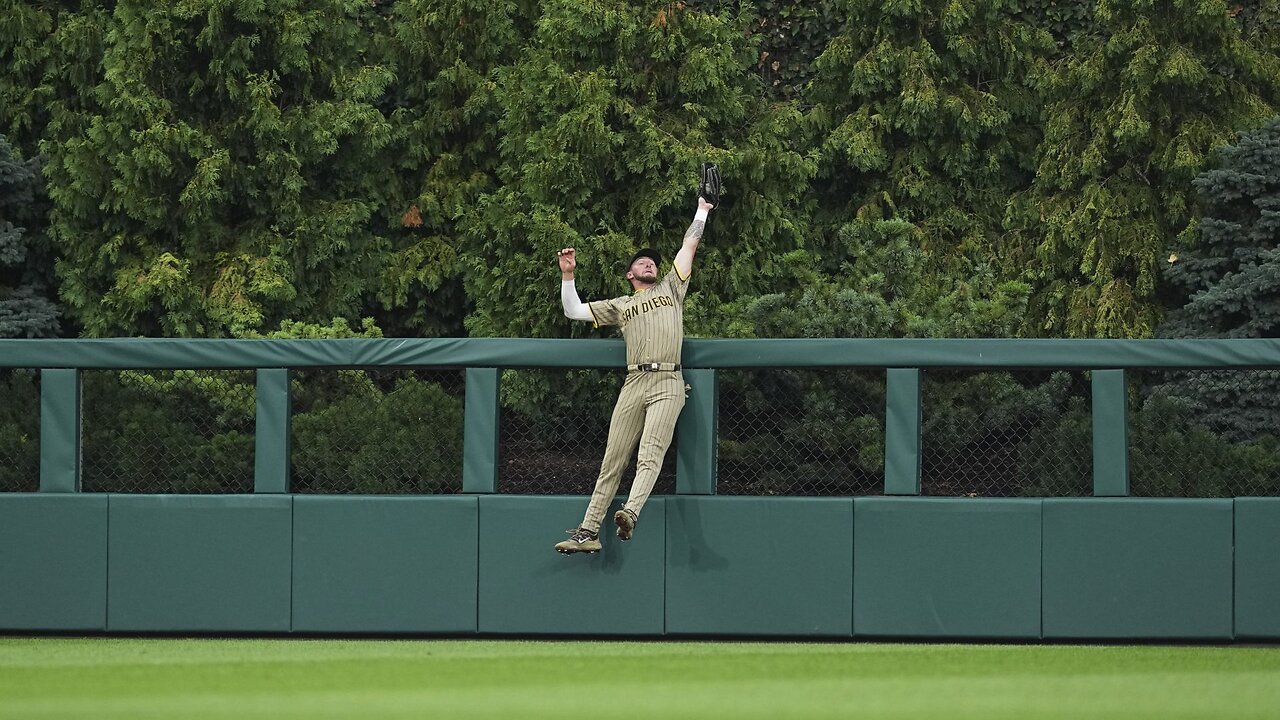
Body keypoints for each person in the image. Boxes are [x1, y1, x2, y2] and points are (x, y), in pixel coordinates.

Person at [553, 195, 714, 554]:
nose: (649, 264)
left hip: (668, 381)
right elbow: (573, 310)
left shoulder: (672, 287)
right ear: (630, 274)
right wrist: (568, 274)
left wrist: (702, 209)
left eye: (652, 262)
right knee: (612, 461)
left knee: (650, 453)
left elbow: (689, 245)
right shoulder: (621, 305)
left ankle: (630, 513)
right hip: (634, 382)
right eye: (642, 262)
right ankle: (588, 532)